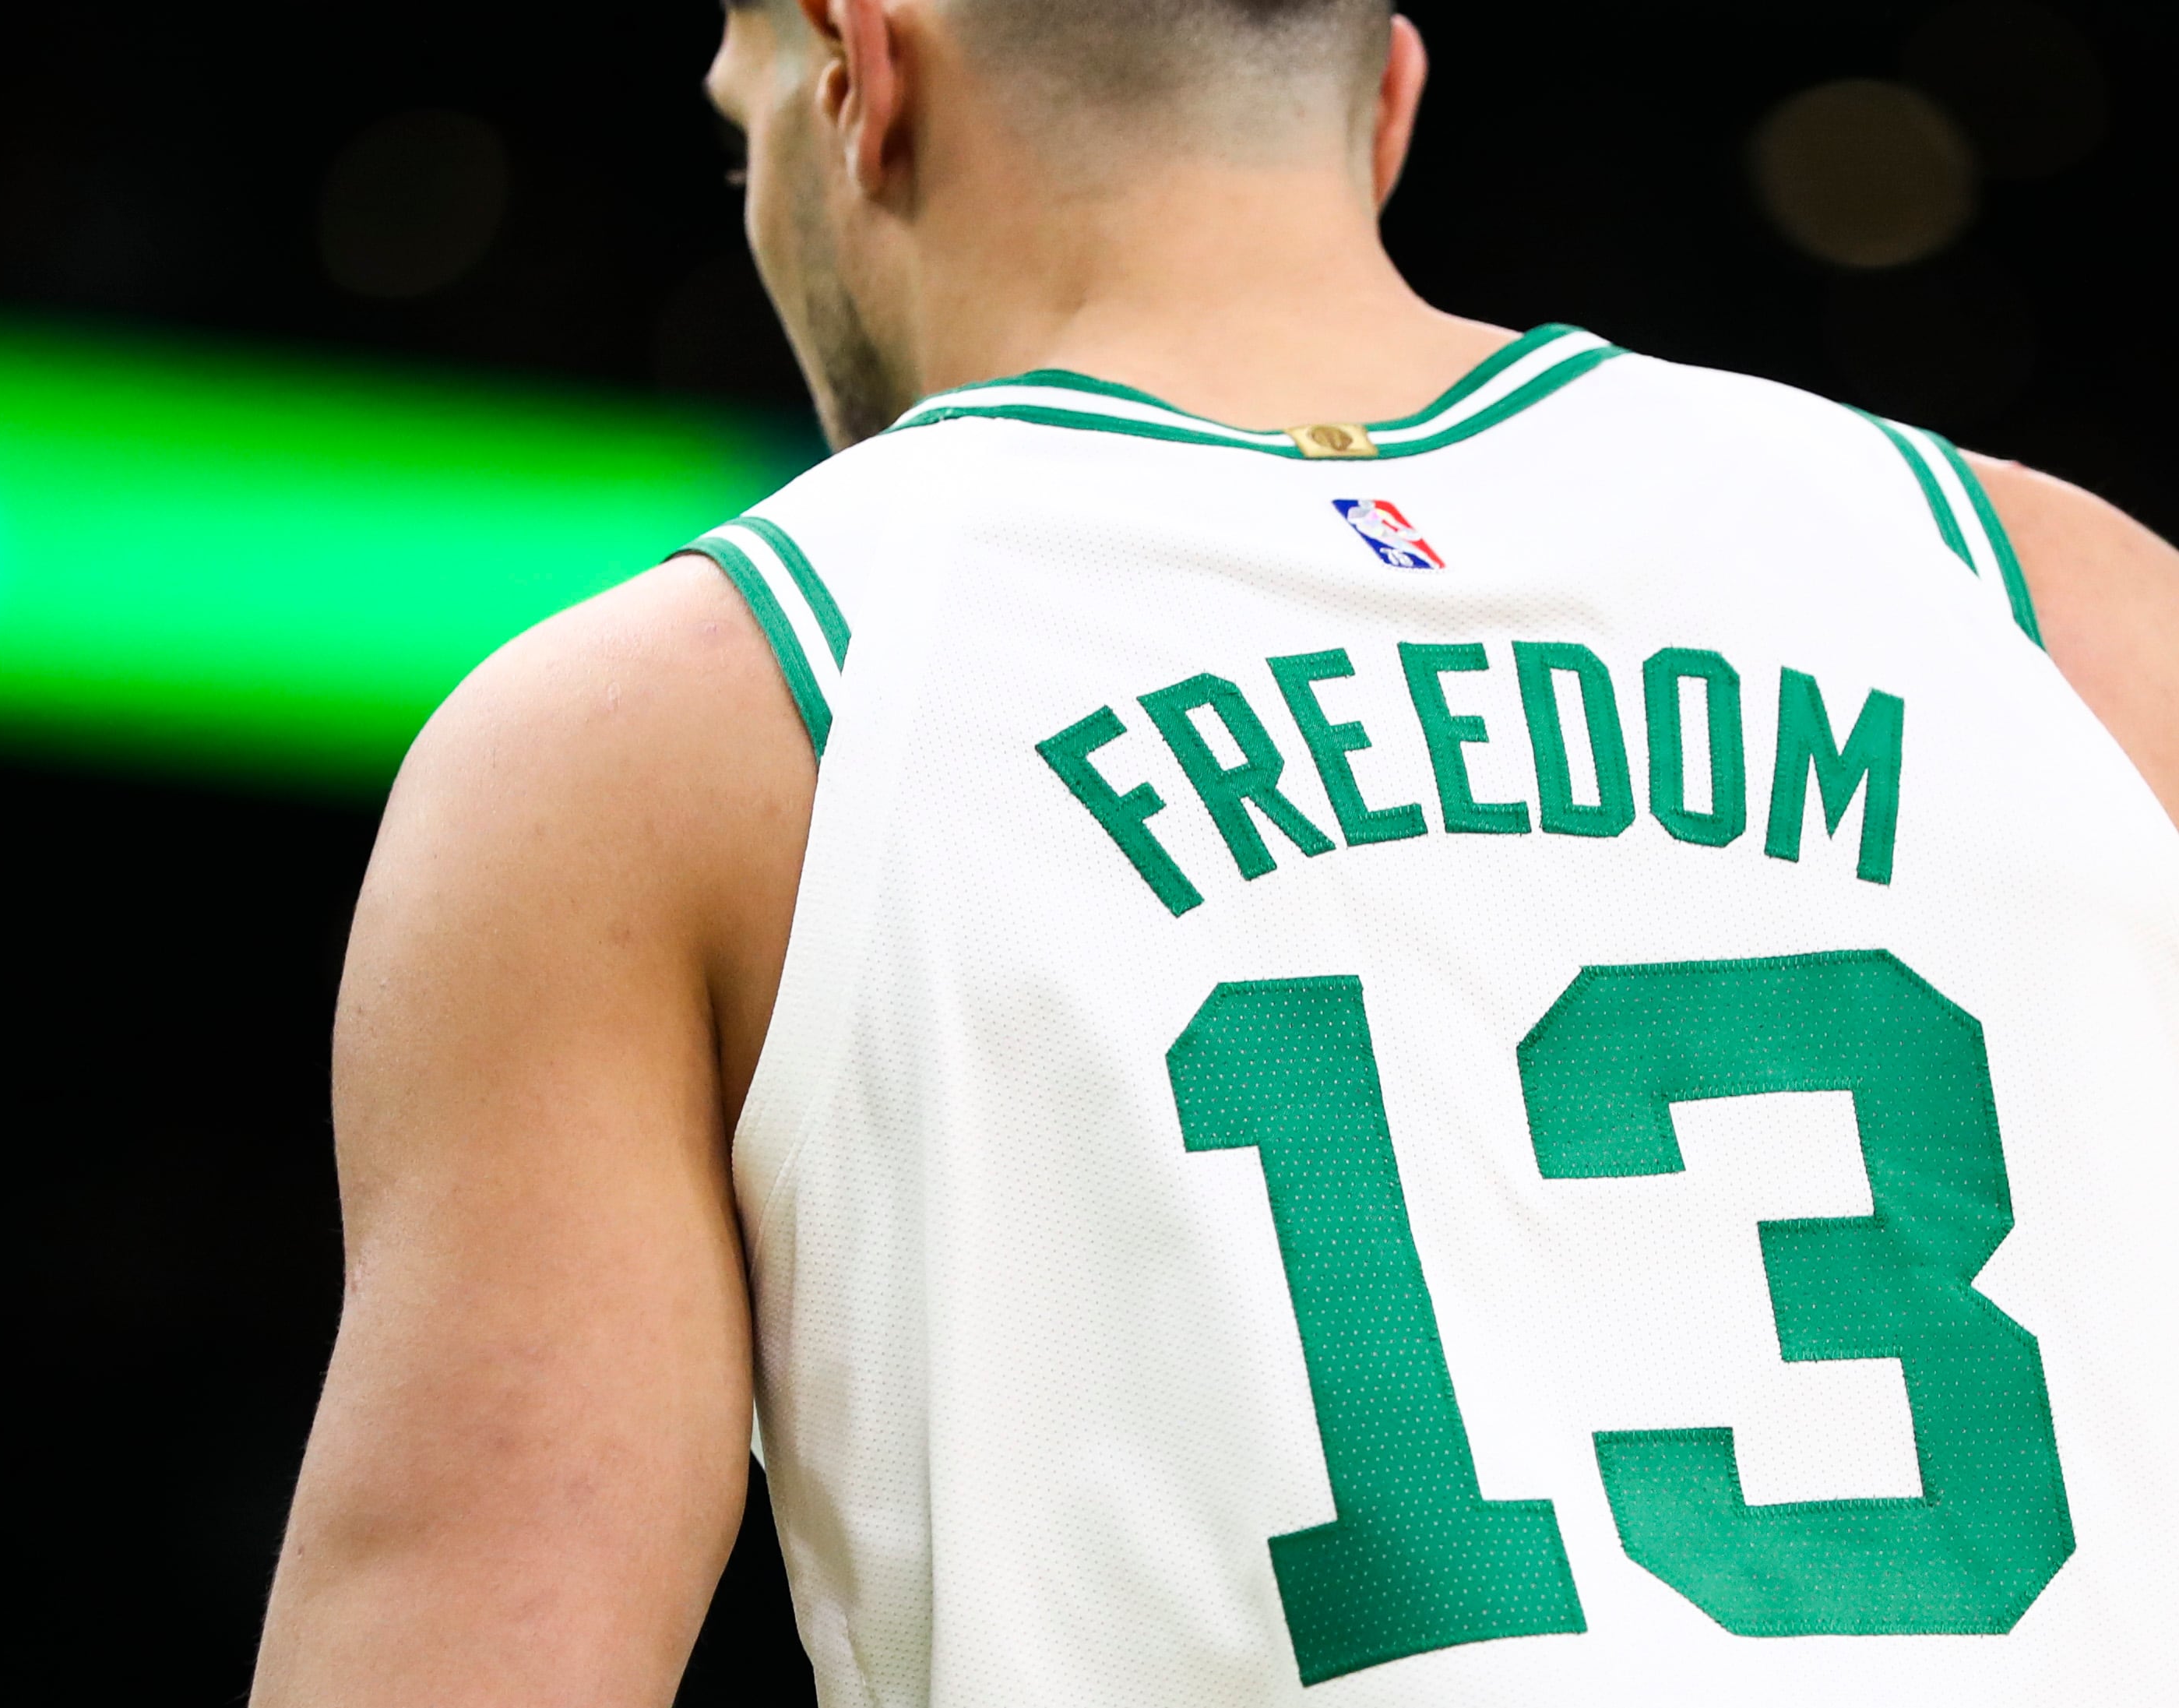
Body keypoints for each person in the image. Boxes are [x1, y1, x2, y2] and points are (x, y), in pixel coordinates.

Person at [248, 2, 2179, 1703]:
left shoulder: (673, 729)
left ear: (858, 73)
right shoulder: (2064, 606)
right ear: (1383, 102)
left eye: (738, 107)